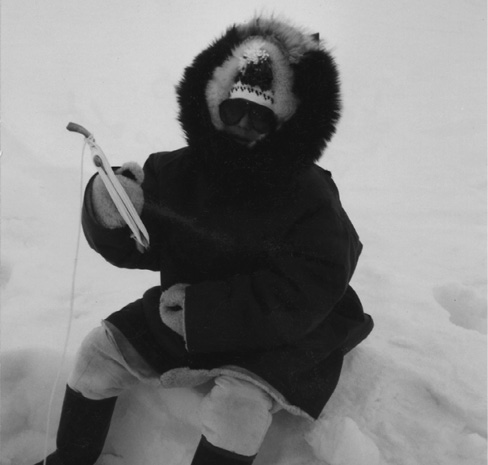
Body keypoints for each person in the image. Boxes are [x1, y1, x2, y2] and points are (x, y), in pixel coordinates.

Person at [35, 16, 373, 465]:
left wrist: (200, 313)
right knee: (98, 354)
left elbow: (306, 291)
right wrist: (109, 213)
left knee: (237, 411)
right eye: (234, 109)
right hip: (188, 313)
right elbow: (140, 244)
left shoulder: (312, 199)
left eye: (262, 115)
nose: (245, 124)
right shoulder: (177, 172)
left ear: (286, 122)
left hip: (283, 336)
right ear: (214, 104)